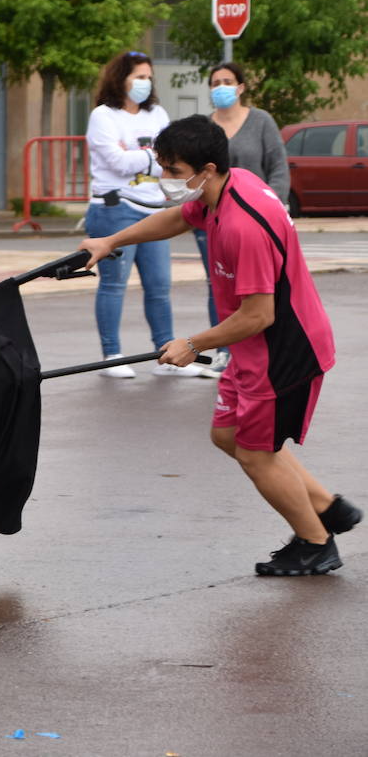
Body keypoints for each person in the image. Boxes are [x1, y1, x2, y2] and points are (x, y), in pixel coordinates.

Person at [78, 114, 360, 576]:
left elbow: (259, 315)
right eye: (163, 168)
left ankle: (315, 543)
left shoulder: (242, 226)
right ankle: (328, 508)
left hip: (284, 349)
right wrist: (111, 241)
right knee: (227, 435)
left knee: (255, 453)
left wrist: (190, 343)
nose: (165, 180)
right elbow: (177, 216)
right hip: (256, 348)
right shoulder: (225, 187)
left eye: (173, 171)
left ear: (205, 168)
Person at [84, 50, 201, 378]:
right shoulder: (104, 116)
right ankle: (111, 355)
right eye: (138, 76)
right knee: (114, 284)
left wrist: (138, 154)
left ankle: (166, 355)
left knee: (160, 286)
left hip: (154, 209)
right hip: (114, 208)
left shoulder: (157, 114)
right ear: (120, 78)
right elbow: (116, 162)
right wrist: (151, 156)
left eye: (148, 77)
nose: (144, 83)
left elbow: (168, 157)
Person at [194, 62, 291, 378]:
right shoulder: (205, 127)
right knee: (219, 285)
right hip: (214, 219)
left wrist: (272, 207)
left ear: (240, 87)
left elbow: (277, 166)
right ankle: (225, 352)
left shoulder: (261, 121)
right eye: (215, 82)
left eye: (227, 81)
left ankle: (262, 349)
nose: (220, 86)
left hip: (254, 220)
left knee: (259, 290)